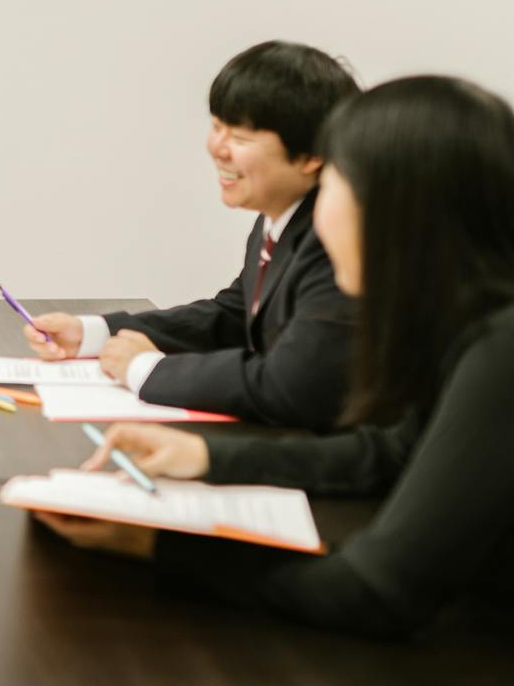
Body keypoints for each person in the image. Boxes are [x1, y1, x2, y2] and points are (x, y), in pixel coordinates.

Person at [33, 77, 514, 686]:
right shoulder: (478, 324)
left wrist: (157, 545)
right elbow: (389, 451)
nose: (317, 209)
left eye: (333, 182)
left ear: (399, 206)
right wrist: (205, 454)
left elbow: (377, 589)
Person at [22, 41, 360, 430]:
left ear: (311, 155)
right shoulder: (280, 217)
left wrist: (147, 370)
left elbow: (288, 384)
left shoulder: (337, 239)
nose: (217, 148)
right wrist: (95, 333)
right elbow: (233, 315)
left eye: (241, 137)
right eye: (217, 126)